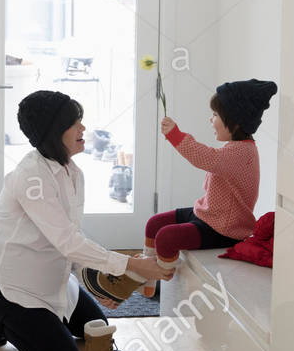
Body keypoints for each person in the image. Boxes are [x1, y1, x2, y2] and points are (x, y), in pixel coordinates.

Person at [0, 90, 174, 351]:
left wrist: (99, 282)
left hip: (51, 278)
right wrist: (134, 265)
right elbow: (67, 242)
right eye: (75, 123)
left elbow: (71, 237)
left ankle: (20, 320)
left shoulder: (72, 172)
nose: (83, 128)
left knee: (96, 326)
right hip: (8, 283)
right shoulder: (31, 176)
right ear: (53, 131)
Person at [81, 78, 277, 307]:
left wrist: (175, 135)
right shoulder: (236, 148)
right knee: (155, 223)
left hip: (225, 228)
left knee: (167, 238)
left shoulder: (241, 153)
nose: (211, 120)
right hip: (208, 215)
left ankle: (139, 279)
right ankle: (148, 280)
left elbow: (203, 157)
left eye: (215, 115)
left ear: (234, 121)